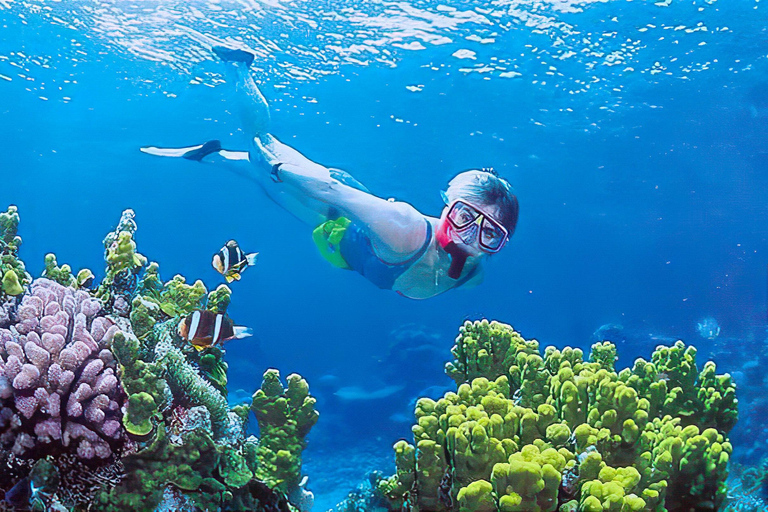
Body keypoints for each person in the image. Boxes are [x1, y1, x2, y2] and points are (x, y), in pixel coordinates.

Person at [142, 46, 519, 300]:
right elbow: (331, 190)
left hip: (348, 225)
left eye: (490, 234)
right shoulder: (404, 228)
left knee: (259, 176)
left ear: (502, 244)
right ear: (448, 205)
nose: (471, 237)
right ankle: (238, 67)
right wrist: (277, 167)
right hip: (331, 210)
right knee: (262, 145)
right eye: (466, 217)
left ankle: (210, 156)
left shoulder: (473, 270)